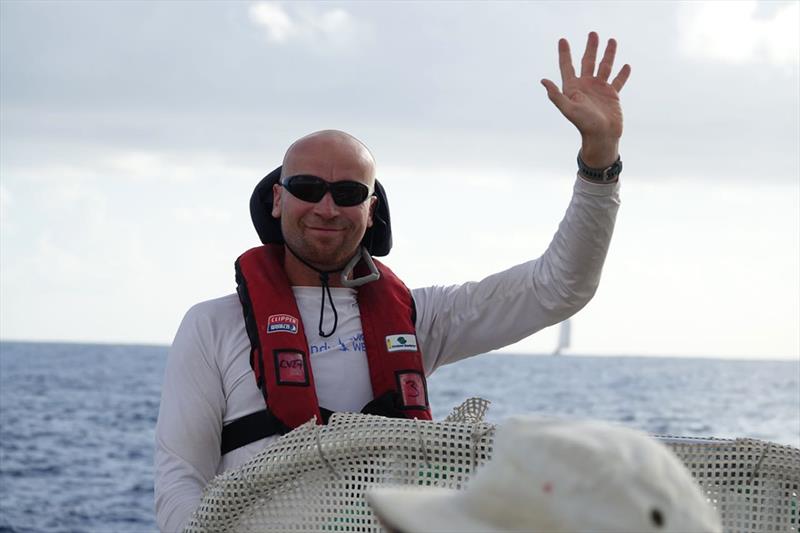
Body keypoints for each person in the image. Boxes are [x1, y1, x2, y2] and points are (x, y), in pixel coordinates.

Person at [155, 31, 631, 532]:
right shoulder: (212, 325)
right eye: (307, 187)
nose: (326, 206)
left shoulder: (422, 318)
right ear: (277, 200)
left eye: (347, 192)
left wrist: (600, 159)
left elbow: (558, 287)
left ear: (371, 210)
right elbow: (179, 481)